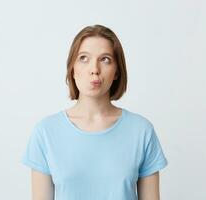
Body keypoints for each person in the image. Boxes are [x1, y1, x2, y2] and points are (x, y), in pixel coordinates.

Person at [21, 24, 168, 200]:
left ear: (116, 72)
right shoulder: (46, 132)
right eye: (84, 58)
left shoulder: (142, 131)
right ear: (72, 68)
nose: (94, 69)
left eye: (105, 59)